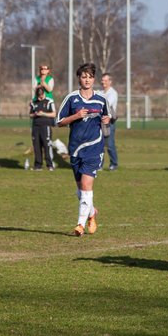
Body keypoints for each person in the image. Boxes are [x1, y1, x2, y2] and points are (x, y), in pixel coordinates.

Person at [57, 63, 110, 236]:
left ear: (94, 79)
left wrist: (108, 120)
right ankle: (92, 213)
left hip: (95, 148)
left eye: (90, 77)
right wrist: (76, 116)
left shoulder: (101, 99)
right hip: (75, 149)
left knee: (87, 185)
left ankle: (79, 225)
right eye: (83, 77)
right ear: (79, 79)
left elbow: (107, 117)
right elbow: (59, 121)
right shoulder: (71, 98)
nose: (87, 80)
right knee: (80, 189)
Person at [29, 85, 57, 171]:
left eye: (41, 95)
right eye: (38, 95)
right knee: (36, 146)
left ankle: (50, 165)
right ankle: (38, 165)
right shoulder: (34, 103)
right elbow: (30, 114)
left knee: (47, 145)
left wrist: (43, 114)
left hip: (46, 126)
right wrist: (35, 114)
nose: (40, 97)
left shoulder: (49, 102)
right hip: (35, 127)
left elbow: (54, 114)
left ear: (44, 93)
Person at [100, 72, 119, 170]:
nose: (103, 82)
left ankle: (114, 164)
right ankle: (99, 165)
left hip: (109, 122)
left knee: (110, 145)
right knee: (100, 145)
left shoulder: (113, 93)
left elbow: (106, 105)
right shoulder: (100, 92)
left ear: (110, 82)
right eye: (102, 80)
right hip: (100, 122)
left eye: (106, 80)